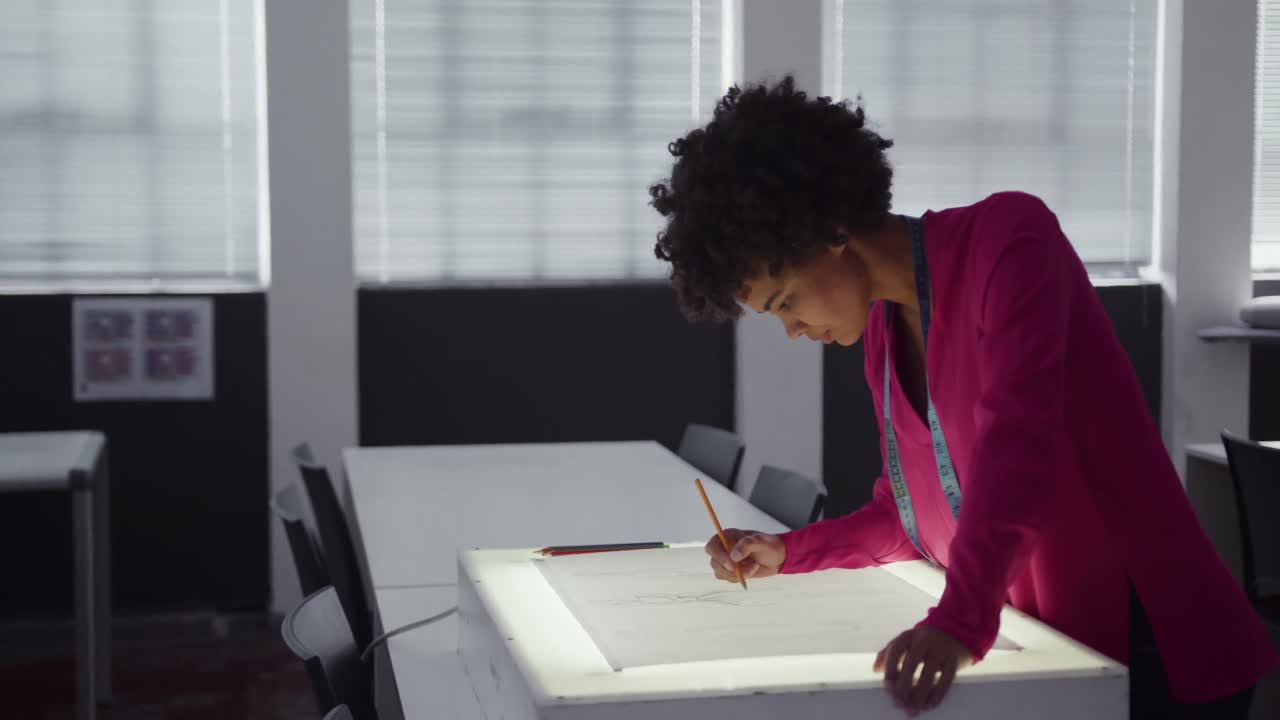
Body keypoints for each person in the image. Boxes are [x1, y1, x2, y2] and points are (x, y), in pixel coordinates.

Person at [648, 76, 1276, 718]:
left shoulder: (1009, 241)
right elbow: (908, 519)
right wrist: (788, 552)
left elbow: (1018, 453)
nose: (794, 330)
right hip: (1048, 642)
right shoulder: (882, 334)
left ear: (832, 232)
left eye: (786, 302)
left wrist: (958, 621)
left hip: (1153, 642)